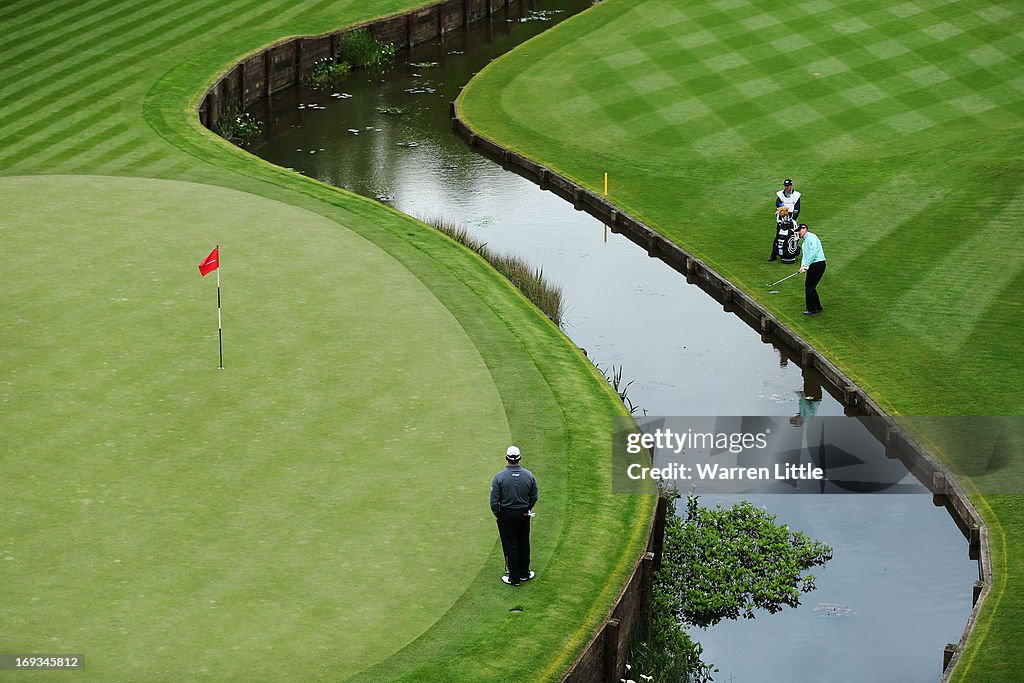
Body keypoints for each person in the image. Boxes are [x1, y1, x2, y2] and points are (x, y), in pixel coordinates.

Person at [489, 445, 538, 586]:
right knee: (523, 542)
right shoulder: (529, 475)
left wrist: (498, 513)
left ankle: (514, 578)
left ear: (506, 458)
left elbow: (494, 501)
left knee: (510, 544)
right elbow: (534, 496)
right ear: (520, 458)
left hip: (506, 515)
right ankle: (524, 573)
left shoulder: (499, 477)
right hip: (523, 514)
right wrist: (527, 508)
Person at [797, 223, 826, 315]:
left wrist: (807, 265)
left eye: (800, 230)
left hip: (818, 264)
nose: (799, 232)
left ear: (805, 229)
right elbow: (805, 256)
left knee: (809, 287)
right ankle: (817, 307)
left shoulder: (811, 237)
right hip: (813, 265)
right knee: (810, 286)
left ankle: (812, 309)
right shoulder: (805, 242)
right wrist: (802, 266)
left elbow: (813, 252)